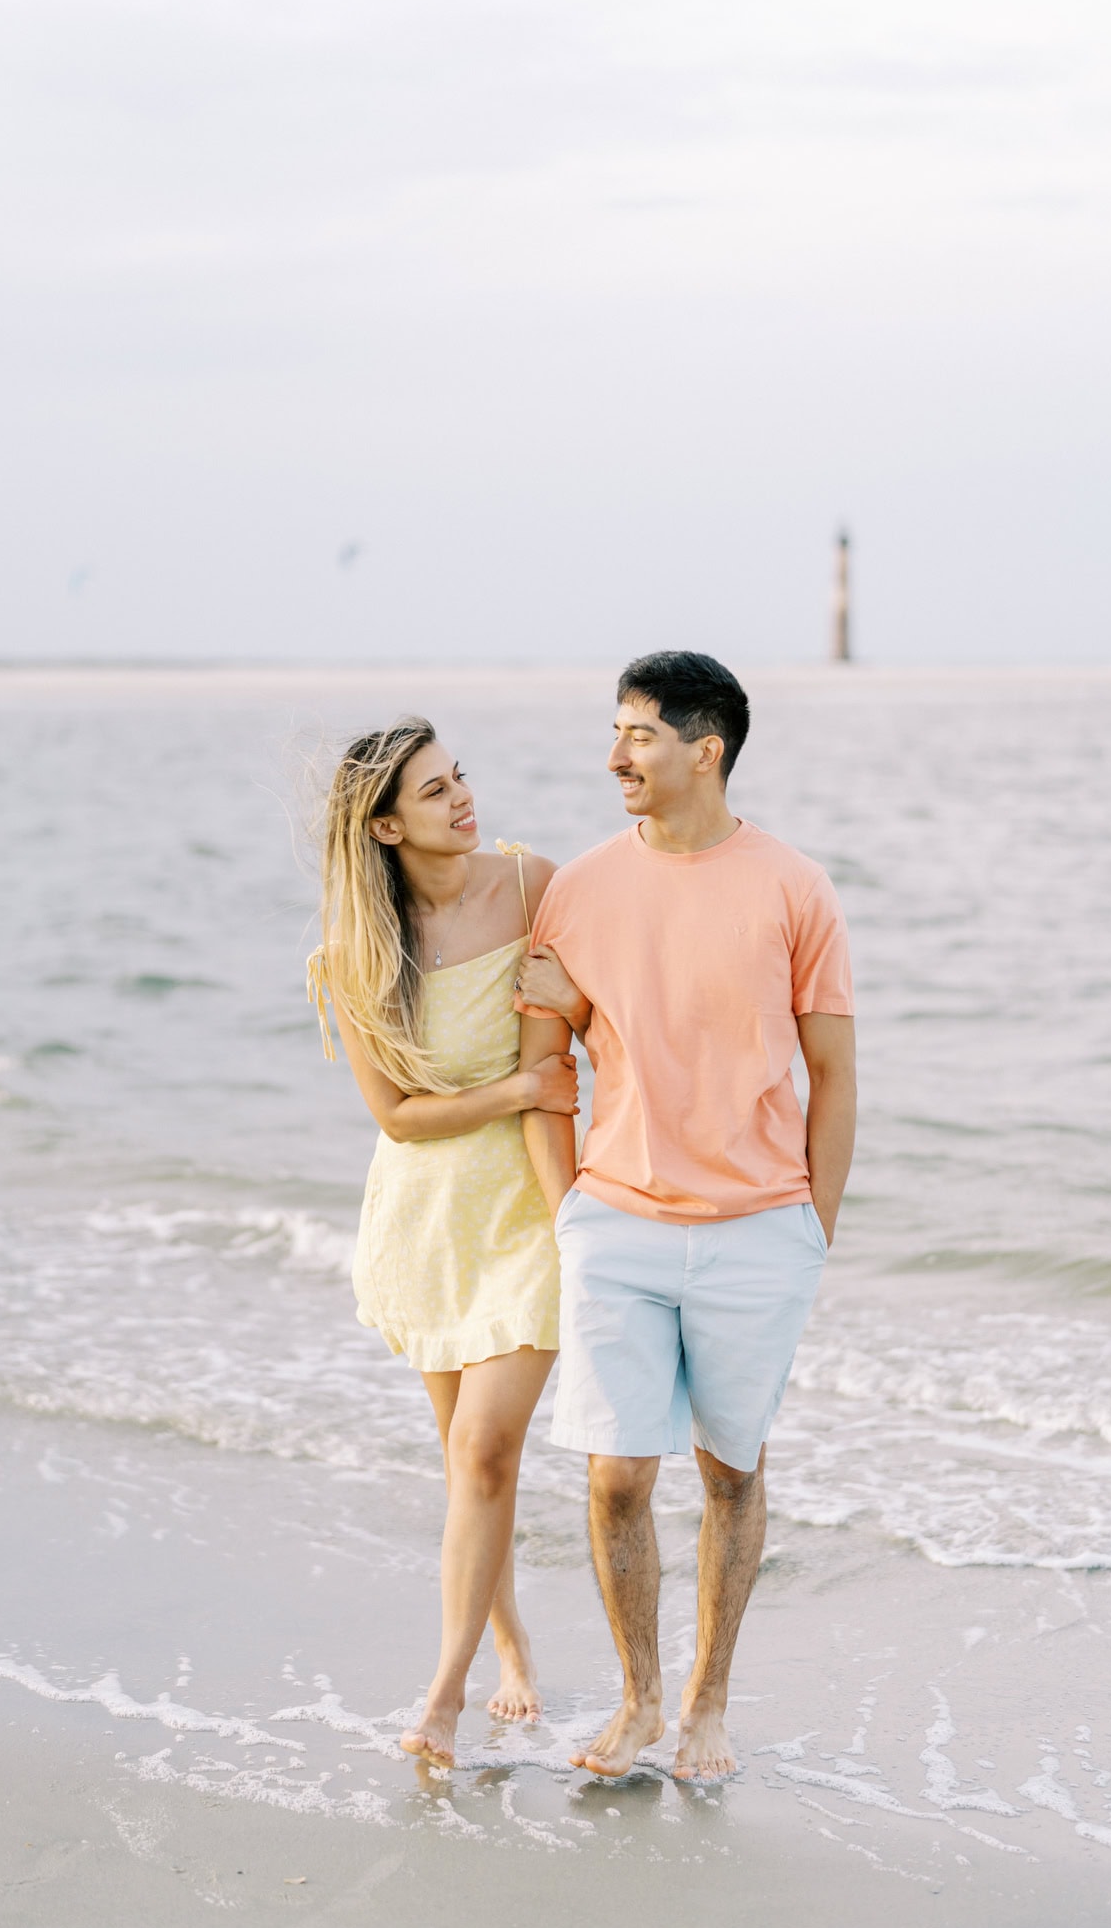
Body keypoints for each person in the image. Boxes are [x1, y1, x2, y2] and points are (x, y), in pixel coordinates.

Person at [514, 651, 856, 1783]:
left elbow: (832, 1073)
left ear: (704, 748)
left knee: (728, 1470)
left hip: (759, 1228)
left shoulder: (792, 886)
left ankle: (708, 1704)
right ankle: (637, 1699)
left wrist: (814, 1226)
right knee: (614, 1474)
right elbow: (542, 1061)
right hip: (613, 1223)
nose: (614, 755)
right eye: (613, 732)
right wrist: (567, 1205)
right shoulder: (579, 887)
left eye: (638, 735)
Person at [307, 717, 581, 1767]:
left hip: (523, 1210)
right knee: (470, 1464)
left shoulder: (527, 886)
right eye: (432, 791)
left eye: (457, 776)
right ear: (382, 826)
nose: (462, 797)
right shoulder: (357, 954)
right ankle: (512, 1651)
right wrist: (513, 1085)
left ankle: (445, 1693)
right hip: (425, 1220)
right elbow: (397, 1116)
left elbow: (579, 1026)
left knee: (484, 1449)